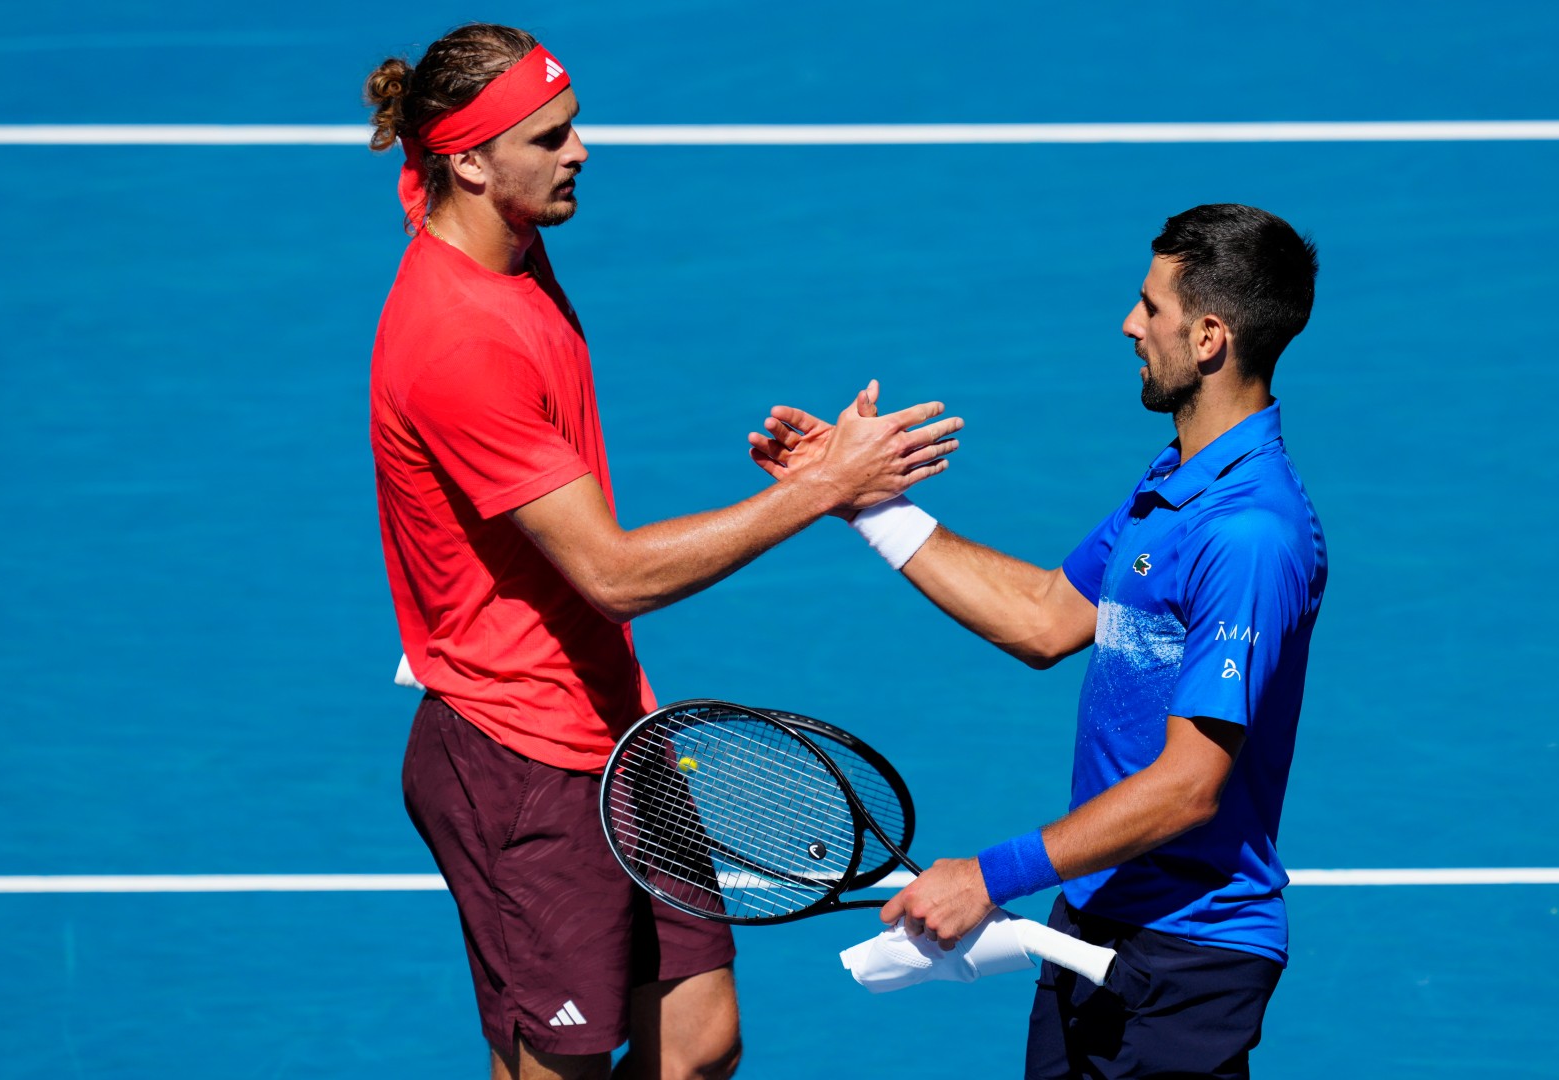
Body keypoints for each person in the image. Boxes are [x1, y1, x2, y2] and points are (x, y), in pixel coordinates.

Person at [362, 24, 961, 1080]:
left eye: (573, 125)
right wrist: (827, 488)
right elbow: (612, 572)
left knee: (696, 1044)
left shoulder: (496, 233)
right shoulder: (459, 341)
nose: (579, 150)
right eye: (549, 138)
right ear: (467, 161)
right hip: (519, 758)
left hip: (610, 723)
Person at [751, 204, 1324, 1080]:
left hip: (1186, 959)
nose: (1130, 324)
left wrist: (989, 875)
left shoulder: (1249, 535)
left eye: (1152, 307)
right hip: (1101, 917)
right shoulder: (1175, 485)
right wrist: (862, 502)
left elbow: (1187, 789)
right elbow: (1047, 616)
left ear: (1209, 337)